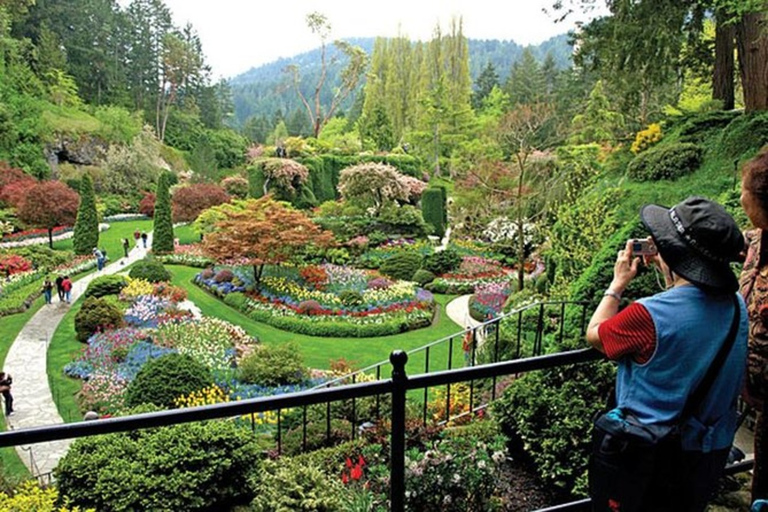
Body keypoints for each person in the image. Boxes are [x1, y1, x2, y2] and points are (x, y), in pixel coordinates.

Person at [586, 196, 748, 512]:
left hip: (648, 457)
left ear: (674, 254)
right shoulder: (736, 306)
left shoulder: (649, 315)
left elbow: (597, 335)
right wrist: (671, 271)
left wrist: (617, 284)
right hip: (706, 456)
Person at [739, 150, 768, 503]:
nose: (741, 195)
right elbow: (724, 241)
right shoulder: (758, 239)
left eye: (745, 189)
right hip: (762, 405)